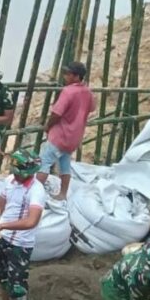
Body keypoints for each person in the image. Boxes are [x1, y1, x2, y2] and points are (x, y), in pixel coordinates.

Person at [0, 148, 47, 300]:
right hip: (2, 239)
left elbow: (32, 221)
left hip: (20, 244)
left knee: (17, 287)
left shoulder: (36, 190)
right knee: (2, 278)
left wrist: (6, 225)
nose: (18, 175)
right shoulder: (9, 182)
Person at [37, 62, 94, 201]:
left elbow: (57, 113)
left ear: (76, 76)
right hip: (74, 137)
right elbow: (91, 108)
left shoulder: (68, 91)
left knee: (44, 164)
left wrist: (48, 126)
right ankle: (62, 194)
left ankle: (35, 194)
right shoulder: (87, 91)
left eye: (68, 74)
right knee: (65, 165)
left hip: (60, 135)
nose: (65, 76)